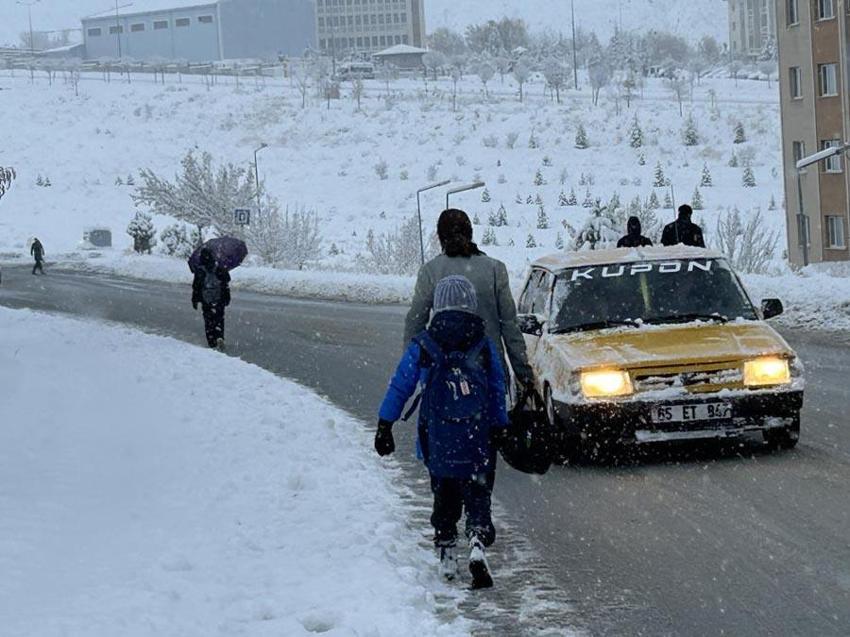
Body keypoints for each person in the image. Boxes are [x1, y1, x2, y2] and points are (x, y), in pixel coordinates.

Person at [376, 275, 508, 589]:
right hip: (478, 437)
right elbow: (497, 387)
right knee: (478, 493)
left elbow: (401, 384)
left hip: (438, 438)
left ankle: (447, 552)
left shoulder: (425, 343)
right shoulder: (484, 343)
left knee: (445, 496)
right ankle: (477, 540)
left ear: (438, 305)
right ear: (471, 303)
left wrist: (385, 424)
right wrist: (500, 426)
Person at [405, 208, 535, 399]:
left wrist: (411, 372)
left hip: (444, 375)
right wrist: (524, 374)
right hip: (490, 371)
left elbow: (415, 323)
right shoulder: (495, 269)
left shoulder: (430, 272)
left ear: (441, 237)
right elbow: (510, 326)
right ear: (470, 233)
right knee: (495, 424)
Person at [192, 247, 231, 351]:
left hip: (206, 300)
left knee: (209, 320)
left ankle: (212, 342)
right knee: (219, 318)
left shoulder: (200, 270)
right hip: (219, 299)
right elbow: (226, 282)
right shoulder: (219, 268)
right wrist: (227, 297)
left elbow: (196, 287)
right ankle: (219, 336)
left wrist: (195, 300)